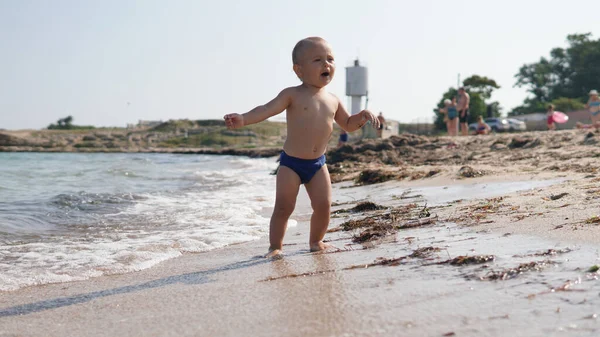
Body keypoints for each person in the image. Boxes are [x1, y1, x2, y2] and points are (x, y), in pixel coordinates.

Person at [223, 37, 379, 258]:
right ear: (299, 70)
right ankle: (275, 246)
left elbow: (348, 125)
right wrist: (243, 119)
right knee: (284, 207)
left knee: (324, 206)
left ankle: (316, 241)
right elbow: (266, 110)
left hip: (318, 164)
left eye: (330, 59)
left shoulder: (333, 100)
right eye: (318, 60)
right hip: (291, 164)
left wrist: (362, 117)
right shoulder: (292, 94)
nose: (326, 64)